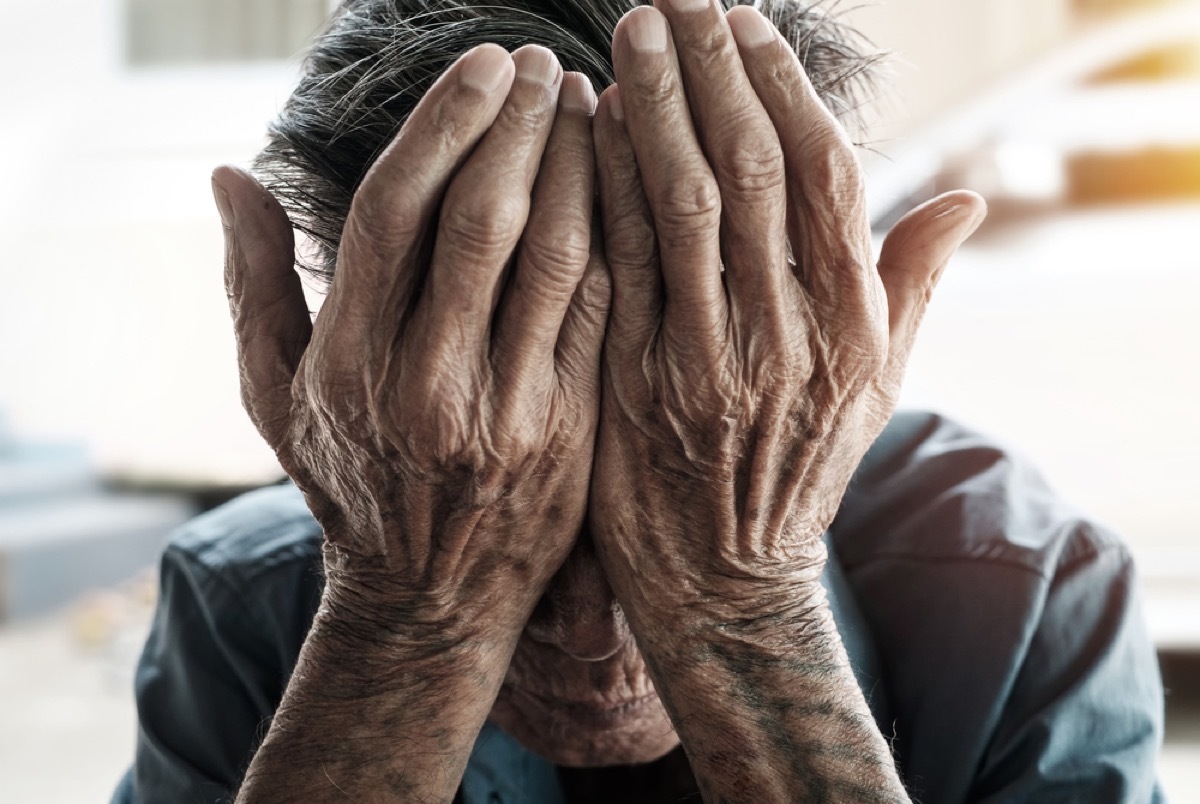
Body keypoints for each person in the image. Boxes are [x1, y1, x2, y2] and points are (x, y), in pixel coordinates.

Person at [113, 0, 1167, 801]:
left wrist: (745, 597)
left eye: (668, 501)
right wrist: (407, 618)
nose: (585, 634)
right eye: (511, 501)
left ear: (834, 383)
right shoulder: (247, 599)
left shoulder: (1027, 594)